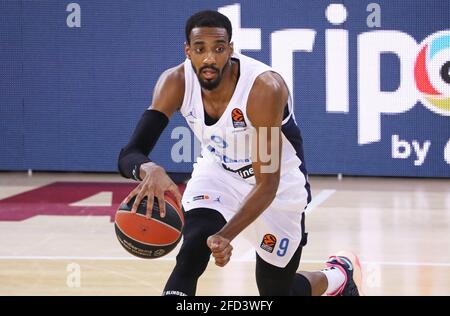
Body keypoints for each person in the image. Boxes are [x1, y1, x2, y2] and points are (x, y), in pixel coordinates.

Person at [118, 10, 362, 296]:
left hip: (277, 184)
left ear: (231, 49)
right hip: (218, 172)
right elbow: (130, 153)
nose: (209, 58)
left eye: (218, 48)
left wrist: (225, 236)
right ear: (188, 51)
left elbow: (266, 185)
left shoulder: (263, 88)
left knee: (276, 292)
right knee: (192, 252)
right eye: (200, 49)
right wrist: (149, 169)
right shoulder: (176, 83)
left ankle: (337, 277)